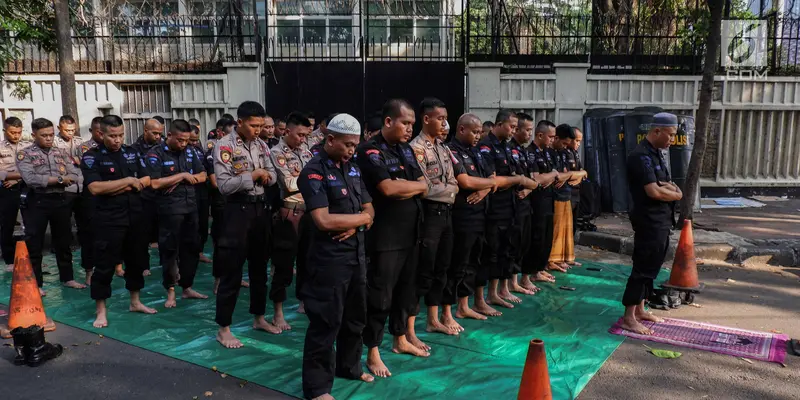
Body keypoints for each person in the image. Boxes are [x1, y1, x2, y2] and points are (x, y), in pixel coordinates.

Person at [298, 113, 376, 400]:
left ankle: (349, 367)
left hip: (356, 256)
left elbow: (370, 210)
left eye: (355, 145)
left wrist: (358, 220)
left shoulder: (353, 168)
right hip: (329, 262)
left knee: (355, 318)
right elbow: (323, 220)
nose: (351, 151)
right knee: (326, 322)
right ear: (330, 140)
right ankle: (318, 388)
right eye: (347, 145)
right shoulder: (313, 171)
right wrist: (359, 220)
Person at [357, 99, 429, 378]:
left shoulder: (406, 150)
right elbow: (387, 188)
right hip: (385, 237)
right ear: (388, 122)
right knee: (380, 294)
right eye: (405, 123)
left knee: (405, 290)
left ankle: (400, 339)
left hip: (411, 231)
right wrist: (412, 186)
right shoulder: (369, 151)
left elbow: (424, 184)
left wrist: (409, 187)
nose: (410, 128)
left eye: (412, 124)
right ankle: (372, 349)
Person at [214, 101, 280, 348]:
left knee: (260, 269)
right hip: (236, 211)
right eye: (253, 125)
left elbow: (273, 176)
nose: (258, 129)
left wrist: (266, 176)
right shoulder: (224, 146)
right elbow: (223, 185)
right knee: (232, 270)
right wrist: (251, 176)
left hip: (260, 209)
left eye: (261, 125)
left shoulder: (262, 144)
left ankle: (259, 317)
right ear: (239, 122)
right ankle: (224, 328)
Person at [81, 115, 157, 328]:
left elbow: (147, 179)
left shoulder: (131, 152)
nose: (117, 140)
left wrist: (118, 186)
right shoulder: (91, 157)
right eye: (113, 136)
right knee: (104, 264)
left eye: (121, 135)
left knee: (136, 260)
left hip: (134, 215)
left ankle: (135, 301)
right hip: (108, 219)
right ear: (101, 134)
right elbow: (95, 188)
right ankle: (101, 311)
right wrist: (128, 182)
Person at [621, 112, 682, 335]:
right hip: (648, 220)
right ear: (657, 131)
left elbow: (669, 184)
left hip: (662, 219)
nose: (672, 140)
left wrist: (671, 190)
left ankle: (640, 308)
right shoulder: (640, 156)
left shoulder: (656, 154)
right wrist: (675, 195)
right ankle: (629, 316)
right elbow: (654, 190)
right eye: (670, 135)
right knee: (642, 267)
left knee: (653, 266)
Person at [409, 97, 460, 338]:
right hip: (428, 215)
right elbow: (425, 188)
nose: (444, 123)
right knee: (425, 268)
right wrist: (448, 189)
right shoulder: (416, 148)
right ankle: (415, 323)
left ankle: (436, 316)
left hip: (447, 214)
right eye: (440, 118)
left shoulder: (443, 147)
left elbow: (454, 182)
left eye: (445, 118)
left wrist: (447, 188)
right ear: (426, 119)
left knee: (443, 266)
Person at [17, 118, 85, 295]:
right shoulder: (25, 154)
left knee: (63, 241)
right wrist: (59, 180)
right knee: (35, 244)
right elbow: (30, 179)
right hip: (37, 202)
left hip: (60, 200)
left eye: (50, 135)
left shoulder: (61, 152)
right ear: (34, 135)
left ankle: (67, 277)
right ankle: (37, 284)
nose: (48, 138)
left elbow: (75, 173)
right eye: (44, 135)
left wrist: (59, 181)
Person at [145, 119, 208, 308]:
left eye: (187, 140)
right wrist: (182, 176)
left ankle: (187, 287)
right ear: (169, 135)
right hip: (170, 210)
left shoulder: (189, 151)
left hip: (191, 207)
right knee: (170, 250)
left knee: (192, 248)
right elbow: (155, 183)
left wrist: (178, 180)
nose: (183, 144)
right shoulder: (156, 154)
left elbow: (203, 175)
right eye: (180, 140)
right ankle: (170, 290)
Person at [477, 110, 534, 310]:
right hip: (493, 209)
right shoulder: (486, 146)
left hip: (511, 207)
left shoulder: (508, 148)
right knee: (490, 253)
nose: (514, 130)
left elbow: (516, 176)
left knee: (507, 250)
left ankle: (501, 290)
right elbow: (494, 180)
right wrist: (516, 180)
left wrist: (514, 180)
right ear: (499, 124)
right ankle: (486, 296)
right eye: (511, 126)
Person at [446, 114, 498, 320]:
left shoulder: (476, 152)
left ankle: (470, 302)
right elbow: (465, 183)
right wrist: (488, 184)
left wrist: (485, 189)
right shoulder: (452, 151)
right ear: (461, 130)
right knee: (460, 262)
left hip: (481, 215)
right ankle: (457, 307)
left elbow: (493, 178)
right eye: (474, 132)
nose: (478, 136)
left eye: (479, 132)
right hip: (463, 216)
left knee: (476, 260)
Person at [269, 111, 313, 331]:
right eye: (300, 135)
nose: (303, 139)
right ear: (287, 131)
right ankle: (278, 311)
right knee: (284, 263)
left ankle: (304, 301)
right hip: (290, 212)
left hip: (308, 212)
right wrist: (310, 180)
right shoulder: (277, 152)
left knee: (307, 260)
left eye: (306, 135)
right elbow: (288, 183)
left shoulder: (305, 151)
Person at [53, 115, 94, 283]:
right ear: (59, 128)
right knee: (63, 233)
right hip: (64, 190)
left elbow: (86, 162)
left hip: (81, 189)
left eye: (72, 130)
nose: (70, 133)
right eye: (66, 130)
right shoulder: (53, 143)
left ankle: (89, 270)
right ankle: (66, 275)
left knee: (87, 231)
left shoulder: (80, 142)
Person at [523, 121, 559, 290]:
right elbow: (537, 180)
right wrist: (552, 174)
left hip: (548, 199)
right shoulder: (530, 153)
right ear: (540, 135)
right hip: (536, 203)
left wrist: (550, 176)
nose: (553, 140)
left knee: (546, 238)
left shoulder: (547, 153)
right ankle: (529, 273)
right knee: (536, 239)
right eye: (550, 137)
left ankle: (539, 269)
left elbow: (552, 178)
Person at [507, 113, 540, 297]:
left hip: (527, 203)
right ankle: (511, 282)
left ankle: (520, 279)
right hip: (515, 204)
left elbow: (532, 180)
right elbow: (516, 179)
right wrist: (528, 185)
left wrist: (529, 187)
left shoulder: (523, 151)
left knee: (525, 242)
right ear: (516, 129)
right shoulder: (509, 149)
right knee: (514, 243)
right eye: (526, 130)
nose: (529, 134)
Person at [549, 124, 587, 269]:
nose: (573, 144)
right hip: (558, 195)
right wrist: (571, 175)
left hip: (569, 194)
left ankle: (565, 257)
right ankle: (553, 260)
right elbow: (561, 176)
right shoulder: (552, 152)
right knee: (556, 231)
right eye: (573, 141)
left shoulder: (566, 153)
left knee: (568, 229)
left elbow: (579, 173)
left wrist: (576, 174)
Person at [132, 118, 164, 276]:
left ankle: (169, 264)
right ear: (145, 131)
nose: (158, 136)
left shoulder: (164, 148)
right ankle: (143, 265)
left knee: (166, 233)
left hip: (163, 195)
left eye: (160, 133)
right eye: (155, 133)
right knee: (142, 235)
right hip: (143, 197)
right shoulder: (134, 150)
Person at [0, 117, 30, 272]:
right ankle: (9, 260)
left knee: (31, 224)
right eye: (12, 132)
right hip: (7, 190)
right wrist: (14, 178)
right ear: (5, 131)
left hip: (26, 188)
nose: (16, 135)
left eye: (18, 132)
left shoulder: (28, 146)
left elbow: (34, 170)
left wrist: (15, 178)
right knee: (8, 224)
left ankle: (30, 257)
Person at [188, 125, 213, 264]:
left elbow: (205, 171)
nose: (193, 143)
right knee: (189, 225)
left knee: (203, 223)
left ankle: (200, 252)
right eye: (191, 140)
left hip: (202, 191)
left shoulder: (199, 150)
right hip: (188, 193)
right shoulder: (181, 151)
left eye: (196, 140)